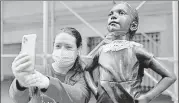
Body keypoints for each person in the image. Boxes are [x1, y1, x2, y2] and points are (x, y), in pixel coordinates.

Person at [84, 2, 176, 103]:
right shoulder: (101, 50)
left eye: (121, 13)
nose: (113, 16)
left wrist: (147, 97)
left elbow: (170, 76)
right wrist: (95, 90)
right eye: (110, 14)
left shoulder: (136, 50)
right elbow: (86, 70)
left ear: (133, 25)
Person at [9, 27, 91, 103]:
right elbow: (19, 99)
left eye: (68, 47)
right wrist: (20, 84)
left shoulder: (84, 77)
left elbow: (80, 98)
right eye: (58, 46)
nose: (62, 51)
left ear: (78, 49)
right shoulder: (38, 72)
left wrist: (48, 83)